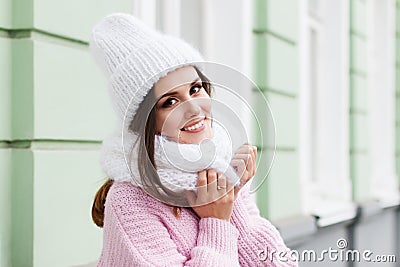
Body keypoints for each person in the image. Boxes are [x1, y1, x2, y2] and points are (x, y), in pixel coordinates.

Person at [90, 13, 297, 266]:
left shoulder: (217, 170)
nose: (194, 109)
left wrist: (233, 201)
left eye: (195, 88)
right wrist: (217, 223)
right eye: (170, 102)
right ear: (145, 122)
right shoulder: (129, 201)